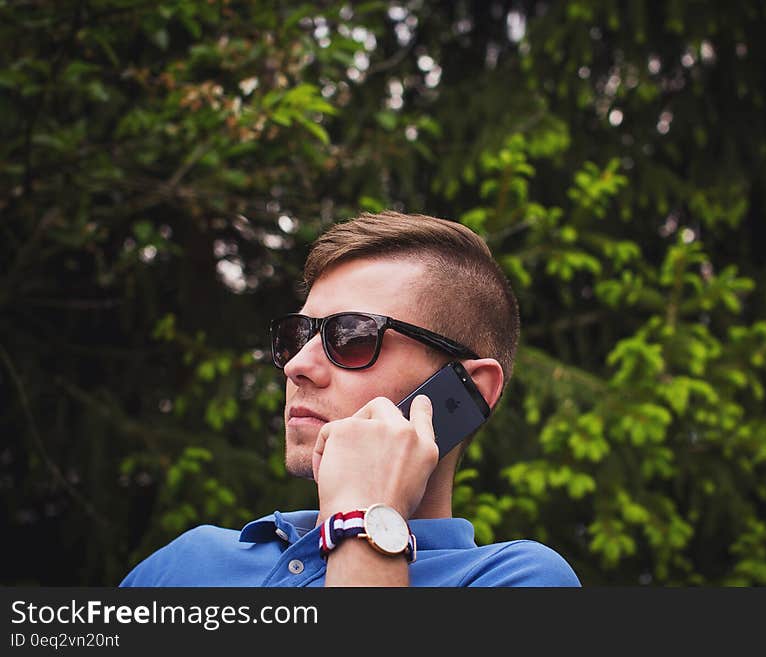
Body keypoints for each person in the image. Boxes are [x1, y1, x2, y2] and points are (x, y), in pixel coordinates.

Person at [120, 211, 581, 587]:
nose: (297, 365)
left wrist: (360, 519)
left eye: (352, 337)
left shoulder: (514, 580)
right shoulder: (185, 564)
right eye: (295, 335)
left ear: (468, 389)